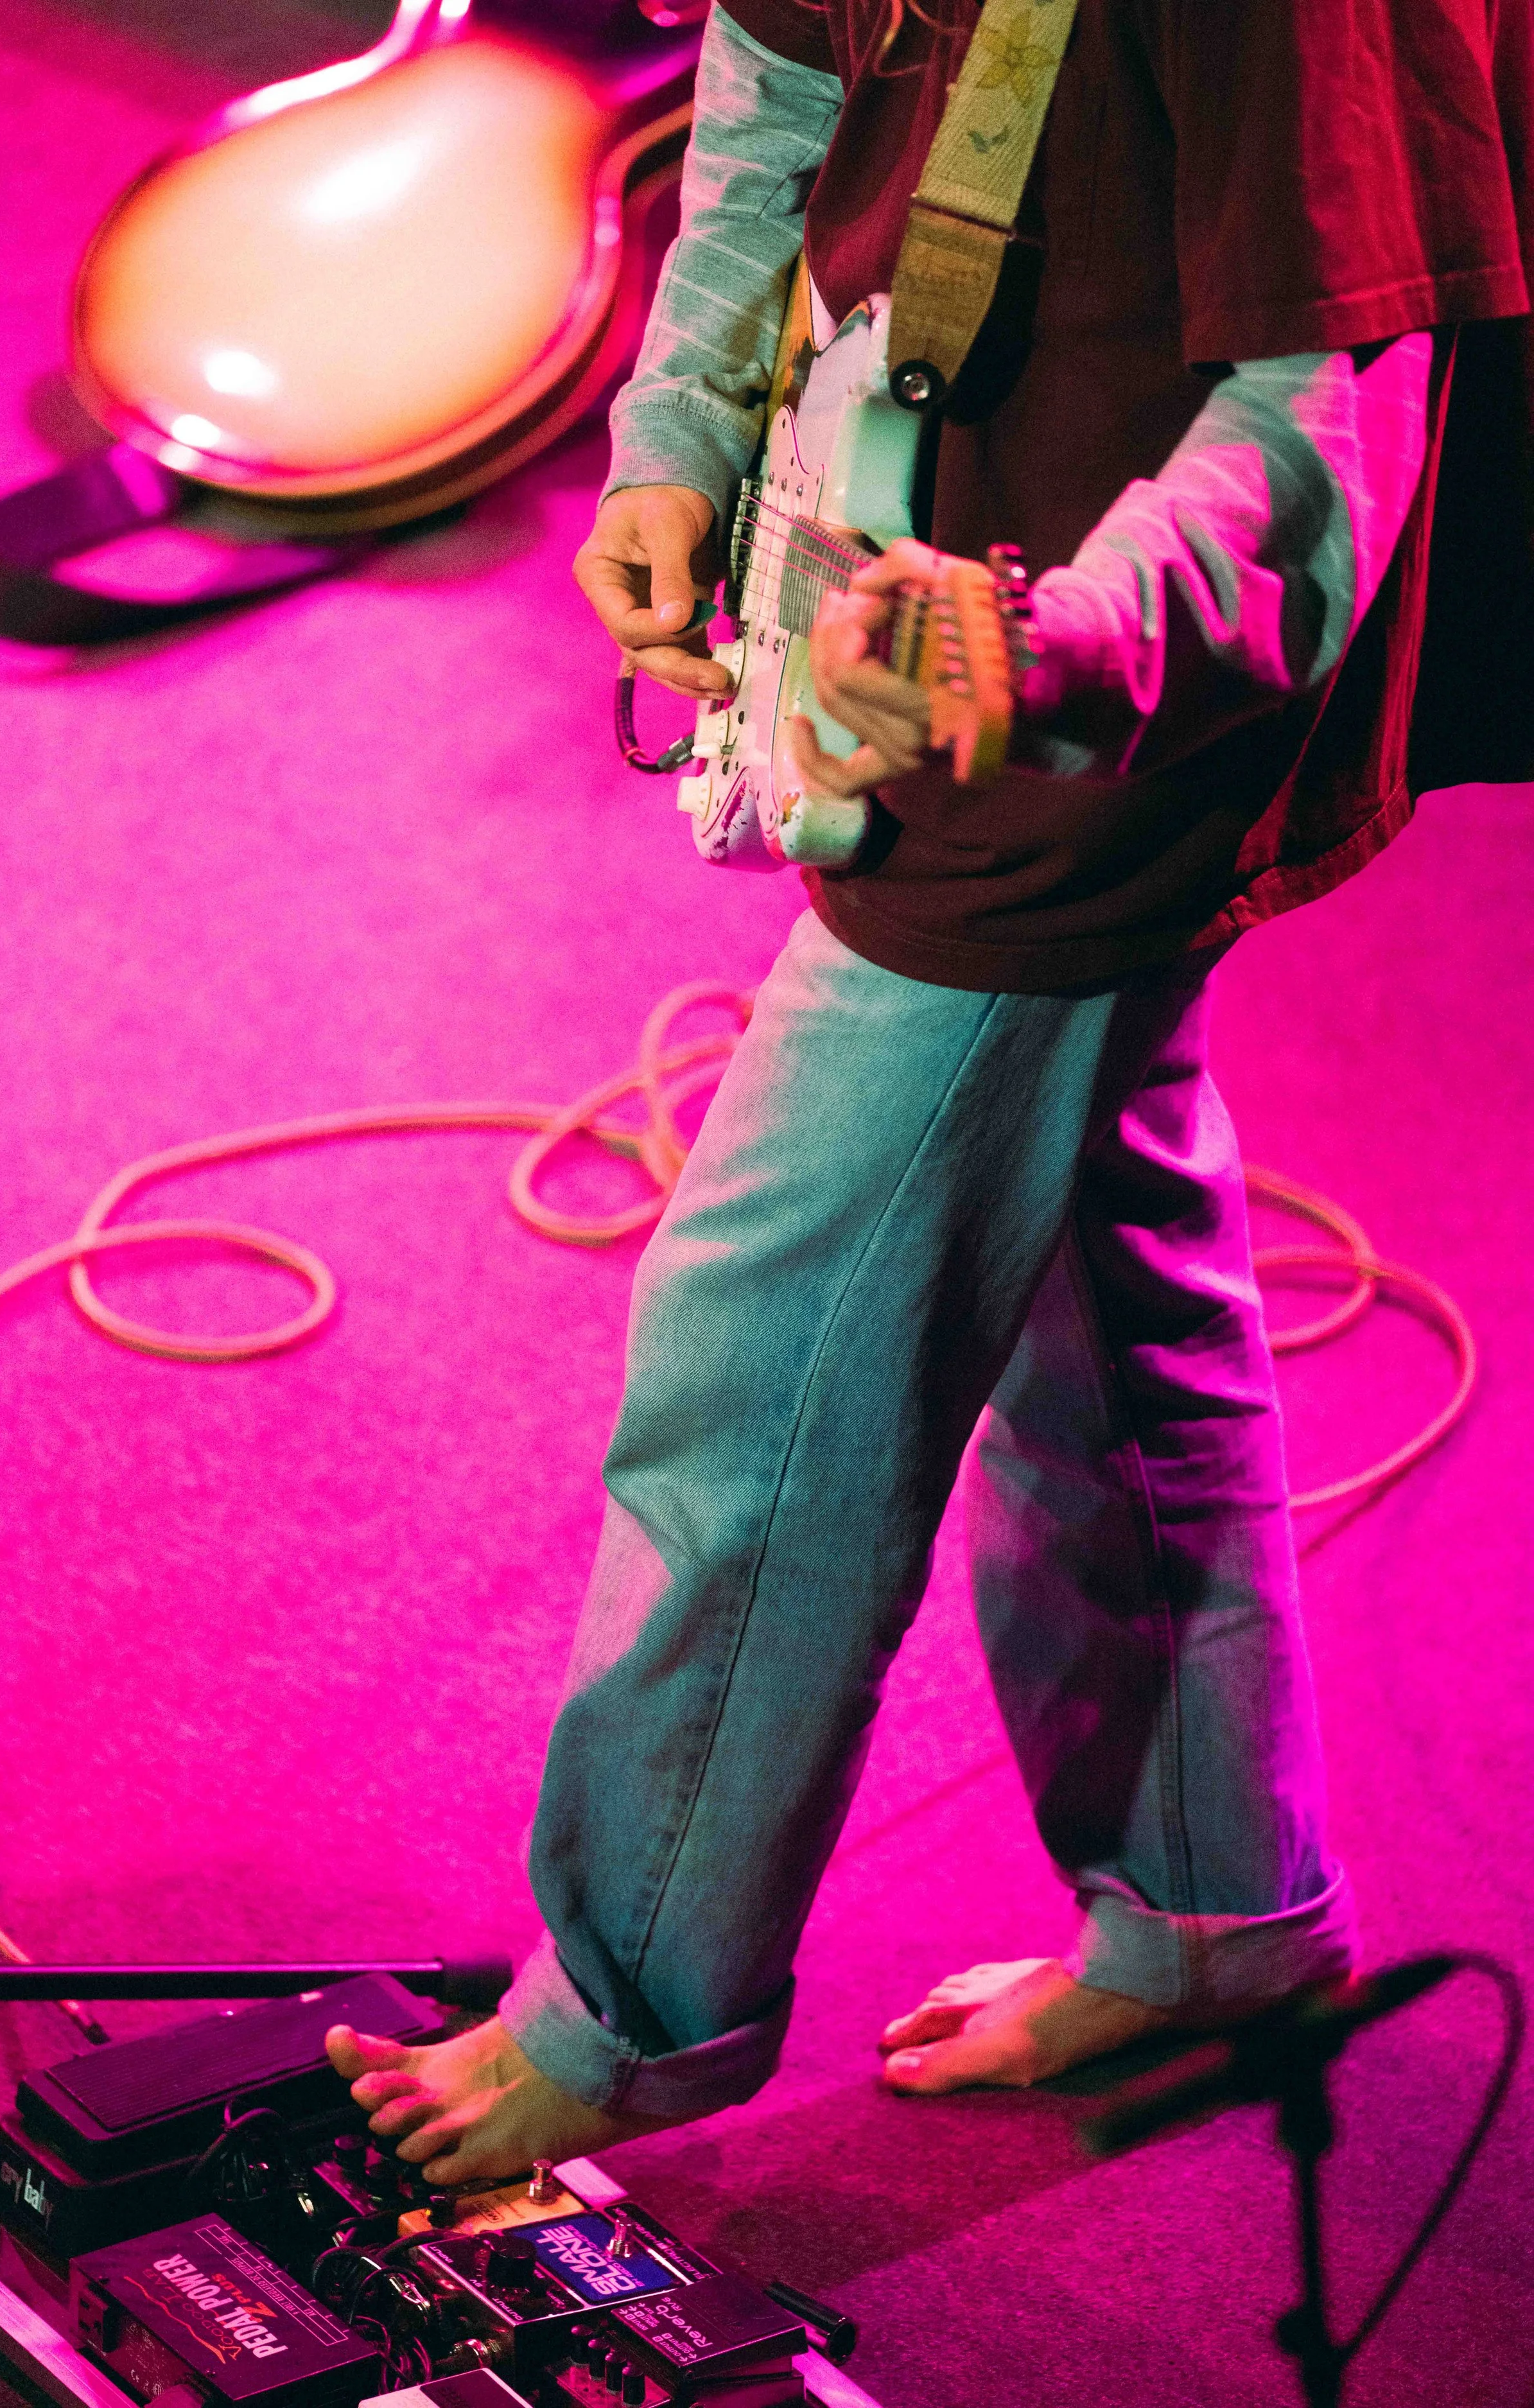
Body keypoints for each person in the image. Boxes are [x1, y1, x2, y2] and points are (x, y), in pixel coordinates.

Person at [325, 0, 1534, 2183]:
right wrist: (678, 440)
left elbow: (1316, 420)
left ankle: (628, 2009)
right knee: (1104, 1277)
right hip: (957, 547)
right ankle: (1214, 1902)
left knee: (766, 1352)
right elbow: (779, 85)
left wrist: (1051, 641)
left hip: (1114, 670)